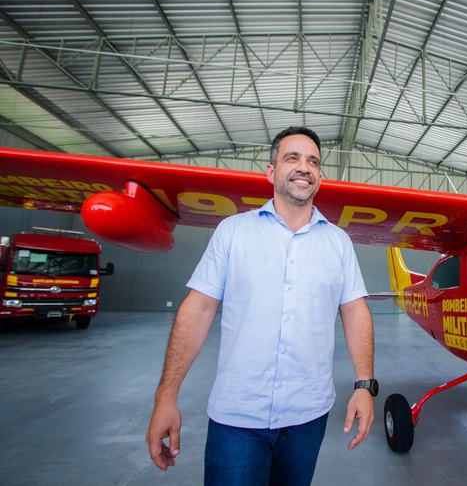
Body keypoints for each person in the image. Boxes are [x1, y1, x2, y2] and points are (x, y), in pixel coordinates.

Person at [145, 126, 377, 485]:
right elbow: (197, 310)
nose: (305, 167)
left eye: (313, 161)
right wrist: (166, 396)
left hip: (308, 415)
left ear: (319, 176)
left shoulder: (338, 242)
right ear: (271, 172)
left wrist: (364, 385)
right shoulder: (233, 231)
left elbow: (355, 311)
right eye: (293, 158)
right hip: (237, 417)